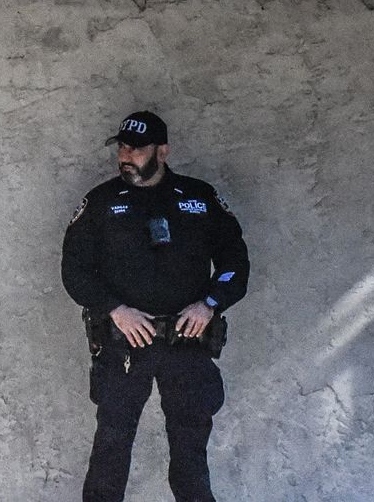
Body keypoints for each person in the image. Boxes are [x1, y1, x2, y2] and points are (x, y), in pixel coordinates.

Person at [60, 110, 250, 502]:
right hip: (124, 346)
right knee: (111, 451)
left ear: (162, 151)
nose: (126, 156)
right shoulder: (102, 202)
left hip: (186, 342)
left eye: (137, 148)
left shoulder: (199, 198)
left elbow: (235, 264)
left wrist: (209, 304)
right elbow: (74, 271)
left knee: (190, 455)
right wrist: (114, 308)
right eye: (122, 147)